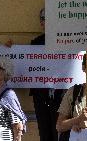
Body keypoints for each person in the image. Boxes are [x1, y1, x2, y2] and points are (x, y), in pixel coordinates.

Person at [29, 8, 66, 141]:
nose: (47, 23)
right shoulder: (36, 42)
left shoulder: (68, 41)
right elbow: (25, 61)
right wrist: (8, 49)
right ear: (41, 23)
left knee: (60, 135)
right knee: (45, 134)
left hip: (61, 96)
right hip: (41, 97)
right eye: (44, 19)